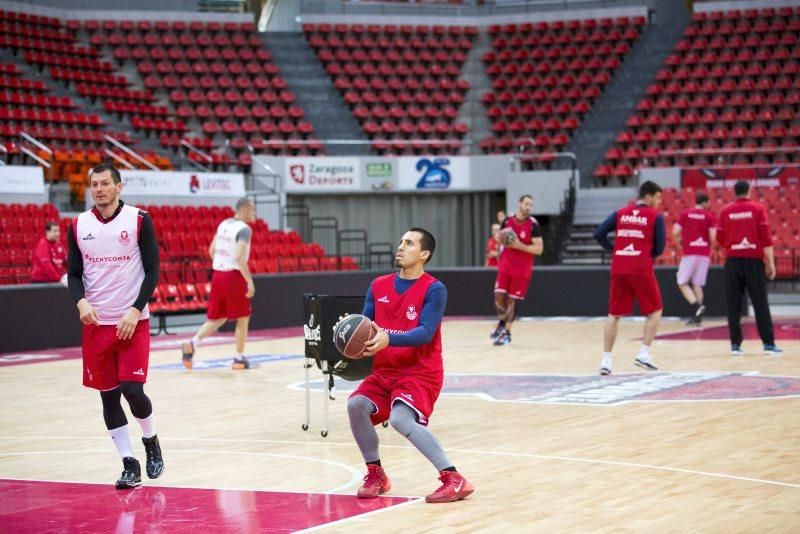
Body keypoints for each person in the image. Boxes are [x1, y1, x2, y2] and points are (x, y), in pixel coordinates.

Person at [342, 227, 474, 504]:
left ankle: (453, 477)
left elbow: (426, 332)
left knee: (402, 419)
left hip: (420, 372)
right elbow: (367, 329)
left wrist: (388, 338)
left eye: (409, 243)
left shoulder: (434, 289)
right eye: (401, 241)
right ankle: (376, 473)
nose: (400, 247)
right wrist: (351, 339)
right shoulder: (378, 285)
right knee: (356, 406)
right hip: (384, 371)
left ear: (424, 254)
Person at [66, 163, 164, 489]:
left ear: (119, 187)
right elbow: (74, 273)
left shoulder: (138, 220)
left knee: (132, 390)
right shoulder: (78, 225)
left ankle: (150, 440)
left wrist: (136, 310)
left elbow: (152, 271)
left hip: (132, 322)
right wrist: (80, 301)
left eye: (105, 183)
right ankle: (129, 463)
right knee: (108, 398)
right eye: (94, 184)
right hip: (97, 326)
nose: (99, 189)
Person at [593, 181, 666, 375]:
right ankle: (644, 353)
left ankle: (606, 361)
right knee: (655, 309)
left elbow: (598, 233)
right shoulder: (655, 216)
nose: (659, 202)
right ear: (649, 197)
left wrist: (615, 250)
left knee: (613, 315)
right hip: (640, 268)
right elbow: (660, 248)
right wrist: (643, 253)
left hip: (619, 267)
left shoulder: (620, 213)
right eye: (658, 198)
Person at [181, 197, 256, 370]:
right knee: (243, 318)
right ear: (244, 209)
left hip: (218, 275)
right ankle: (238, 358)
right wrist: (249, 281)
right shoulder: (244, 229)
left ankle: (192, 344)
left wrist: (222, 263)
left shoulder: (223, 224)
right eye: (252, 209)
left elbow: (211, 250)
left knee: (217, 318)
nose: (254, 213)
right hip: (233, 276)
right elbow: (239, 257)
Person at [716, 180, 782, 356]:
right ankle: (768, 345)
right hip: (754, 261)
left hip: (733, 261)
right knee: (760, 303)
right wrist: (770, 263)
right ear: (749, 191)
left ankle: (735, 346)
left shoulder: (725, 211)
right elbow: (766, 239)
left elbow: (720, 239)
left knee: (733, 304)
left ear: (734, 192)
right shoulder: (758, 209)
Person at [490, 195, 544, 346]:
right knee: (498, 296)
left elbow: (539, 249)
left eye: (530, 205)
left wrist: (520, 246)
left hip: (522, 269)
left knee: (511, 302)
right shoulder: (508, 220)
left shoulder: (533, 225)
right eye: (526, 203)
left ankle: (507, 333)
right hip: (505, 265)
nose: (528, 207)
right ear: (519, 204)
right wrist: (500, 238)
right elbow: (499, 238)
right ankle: (501, 322)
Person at [673, 192, 716, 325]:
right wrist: (712, 250)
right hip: (704, 253)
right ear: (704, 202)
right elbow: (713, 238)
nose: (709, 205)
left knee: (681, 282)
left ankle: (697, 307)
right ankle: (698, 317)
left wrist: (679, 243)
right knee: (697, 284)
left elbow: (675, 233)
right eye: (708, 202)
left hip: (690, 252)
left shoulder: (685, 214)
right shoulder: (709, 216)